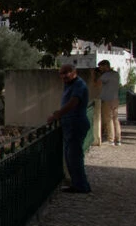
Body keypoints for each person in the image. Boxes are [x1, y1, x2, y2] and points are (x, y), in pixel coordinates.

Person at [48, 63, 91, 193]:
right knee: (70, 156)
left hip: (76, 123)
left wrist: (58, 115)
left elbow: (73, 102)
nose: (64, 75)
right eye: (61, 73)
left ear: (74, 72)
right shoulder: (70, 85)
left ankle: (81, 186)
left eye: (67, 72)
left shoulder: (78, 85)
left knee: (74, 156)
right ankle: (77, 183)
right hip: (70, 124)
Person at [97, 60, 121, 146]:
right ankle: (118, 139)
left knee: (108, 119)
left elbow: (97, 83)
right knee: (115, 119)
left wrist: (94, 75)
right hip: (115, 99)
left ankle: (111, 139)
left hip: (107, 99)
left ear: (105, 66)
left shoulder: (106, 75)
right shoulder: (116, 74)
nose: (100, 69)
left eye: (101, 67)